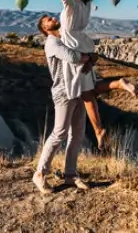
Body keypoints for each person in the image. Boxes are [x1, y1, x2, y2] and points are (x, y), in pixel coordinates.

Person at [51, 0, 137, 150]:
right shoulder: (87, 4)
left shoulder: (71, 5)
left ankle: (98, 130)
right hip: (84, 45)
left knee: (87, 94)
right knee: (89, 90)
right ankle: (117, 85)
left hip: (73, 48)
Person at [33, 14, 92, 194]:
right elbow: (74, 57)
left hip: (78, 89)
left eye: (51, 17)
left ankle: (70, 174)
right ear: (45, 28)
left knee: (77, 134)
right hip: (63, 92)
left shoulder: (66, 39)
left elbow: (84, 53)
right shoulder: (52, 43)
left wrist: (86, 56)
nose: (52, 18)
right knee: (59, 133)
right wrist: (87, 56)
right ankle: (40, 174)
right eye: (47, 20)